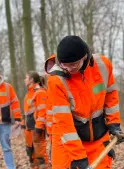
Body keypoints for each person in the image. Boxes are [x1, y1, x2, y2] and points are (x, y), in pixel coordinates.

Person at [44, 35, 124, 169]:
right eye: (64, 64)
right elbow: (64, 123)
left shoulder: (103, 66)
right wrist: (78, 157)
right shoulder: (56, 81)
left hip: (98, 134)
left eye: (73, 64)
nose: (68, 68)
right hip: (67, 138)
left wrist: (114, 123)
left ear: (85, 57)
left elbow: (110, 95)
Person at [22, 71, 49, 168]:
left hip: (36, 128)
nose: (24, 80)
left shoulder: (40, 92)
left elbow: (43, 111)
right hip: (29, 128)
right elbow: (26, 112)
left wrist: (39, 126)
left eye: (26, 78)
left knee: (40, 154)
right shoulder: (28, 95)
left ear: (31, 80)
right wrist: (23, 124)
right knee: (31, 153)